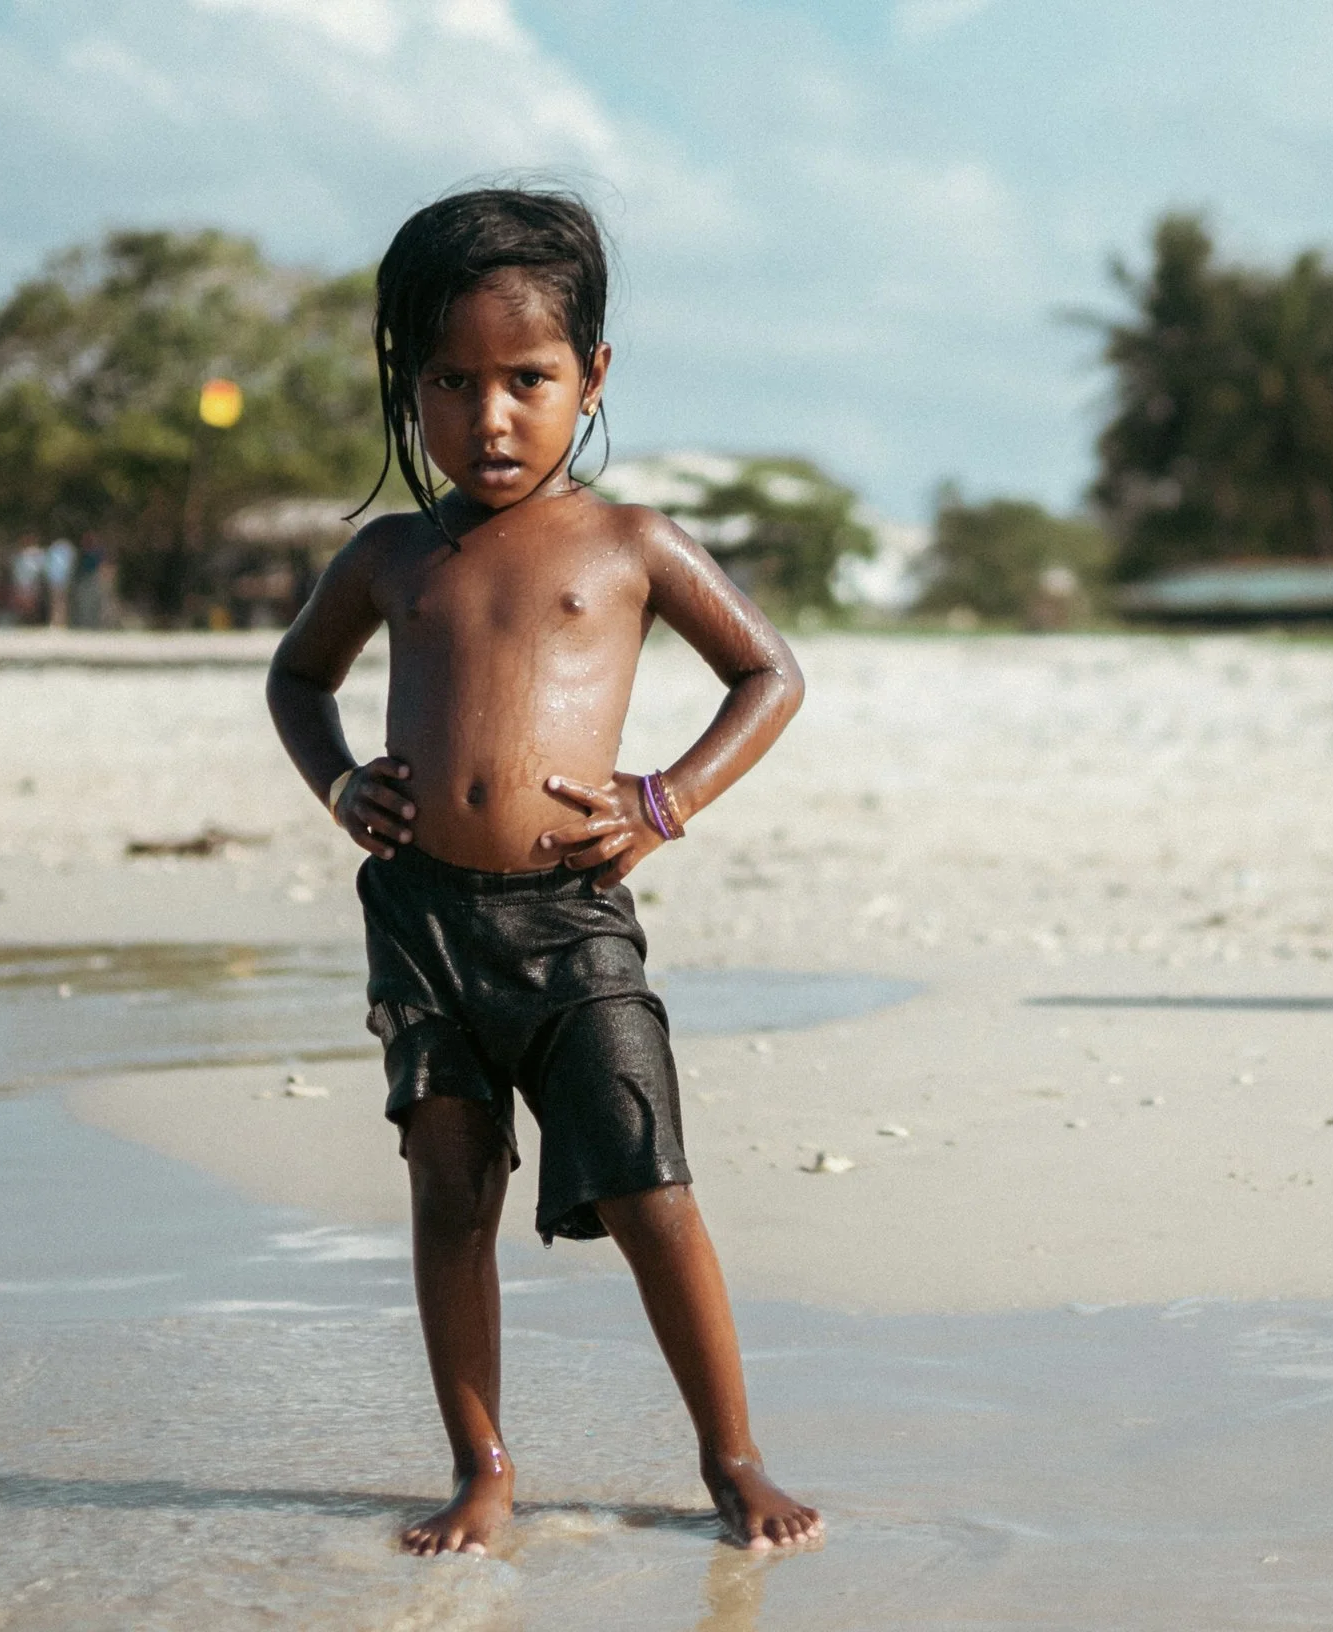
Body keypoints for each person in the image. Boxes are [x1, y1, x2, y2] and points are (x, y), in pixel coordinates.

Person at [265, 189, 820, 1556]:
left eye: (528, 380)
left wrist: (666, 798)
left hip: (572, 921)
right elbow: (297, 675)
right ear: (410, 386)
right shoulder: (395, 553)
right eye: (452, 383)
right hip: (423, 922)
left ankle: (734, 1458)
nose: (490, 416)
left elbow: (771, 672)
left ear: (594, 379)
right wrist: (340, 781)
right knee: (451, 1192)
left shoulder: (631, 542)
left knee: (647, 1186)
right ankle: (484, 1467)